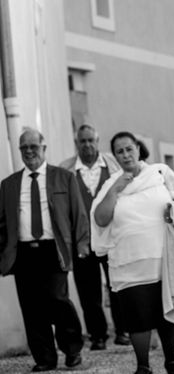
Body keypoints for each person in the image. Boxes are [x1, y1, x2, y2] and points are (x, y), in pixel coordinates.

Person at [91, 132, 174, 374]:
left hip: (163, 259)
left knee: (166, 311)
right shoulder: (111, 183)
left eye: (129, 149)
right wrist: (116, 189)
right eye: (119, 151)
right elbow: (101, 218)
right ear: (115, 156)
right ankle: (143, 366)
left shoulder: (160, 173)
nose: (125, 155)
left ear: (138, 148)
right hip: (128, 263)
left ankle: (171, 359)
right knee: (137, 315)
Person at [0, 128, 89, 372]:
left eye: (33, 147)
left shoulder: (63, 177)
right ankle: (44, 358)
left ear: (44, 148)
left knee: (57, 299)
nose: (29, 152)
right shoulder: (8, 185)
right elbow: (2, 222)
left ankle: (72, 349)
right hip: (24, 252)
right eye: (24, 148)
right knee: (30, 306)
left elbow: (78, 214)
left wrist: (82, 244)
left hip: (54, 249)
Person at [60, 124, 129, 349]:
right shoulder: (66, 169)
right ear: (76, 144)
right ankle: (98, 335)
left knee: (117, 285)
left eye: (91, 140)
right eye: (83, 141)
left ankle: (122, 330)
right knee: (88, 291)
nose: (87, 145)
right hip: (82, 239)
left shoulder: (114, 164)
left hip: (112, 237)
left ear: (97, 141)